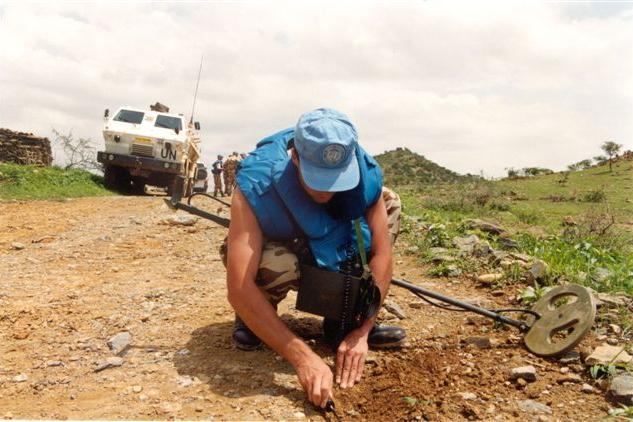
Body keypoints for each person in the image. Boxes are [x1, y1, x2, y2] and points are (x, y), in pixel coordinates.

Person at [221, 108, 405, 408]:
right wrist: (302, 357)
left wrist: (362, 330)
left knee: (390, 202)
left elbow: (382, 254)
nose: (327, 190)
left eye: (337, 179)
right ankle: (255, 317)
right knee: (277, 263)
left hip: (333, 244)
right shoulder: (256, 183)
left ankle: (342, 318)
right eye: (318, 179)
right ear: (295, 157)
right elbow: (239, 287)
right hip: (286, 245)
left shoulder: (366, 174)